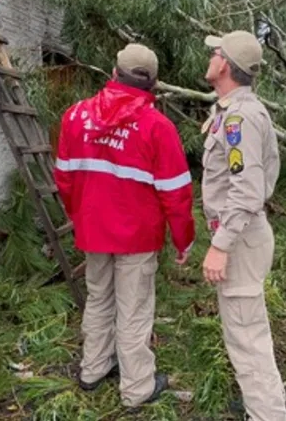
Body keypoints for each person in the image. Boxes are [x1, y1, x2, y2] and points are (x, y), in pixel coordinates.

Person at [53, 43, 195, 408]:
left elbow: (64, 178)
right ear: (154, 84)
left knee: (99, 298)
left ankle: (93, 369)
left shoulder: (75, 116)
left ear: (113, 73)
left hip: (93, 230)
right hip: (137, 236)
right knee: (133, 310)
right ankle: (137, 389)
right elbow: (176, 194)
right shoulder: (158, 127)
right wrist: (184, 240)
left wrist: (78, 216)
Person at [198, 30, 286, 421]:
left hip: (240, 238)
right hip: (241, 234)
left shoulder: (240, 117)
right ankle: (260, 404)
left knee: (248, 339)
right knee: (245, 331)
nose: (210, 57)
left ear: (225, 65)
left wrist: (221, 245)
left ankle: (267, 414)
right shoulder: (231, 111)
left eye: (215, 53)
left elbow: (248, 190)